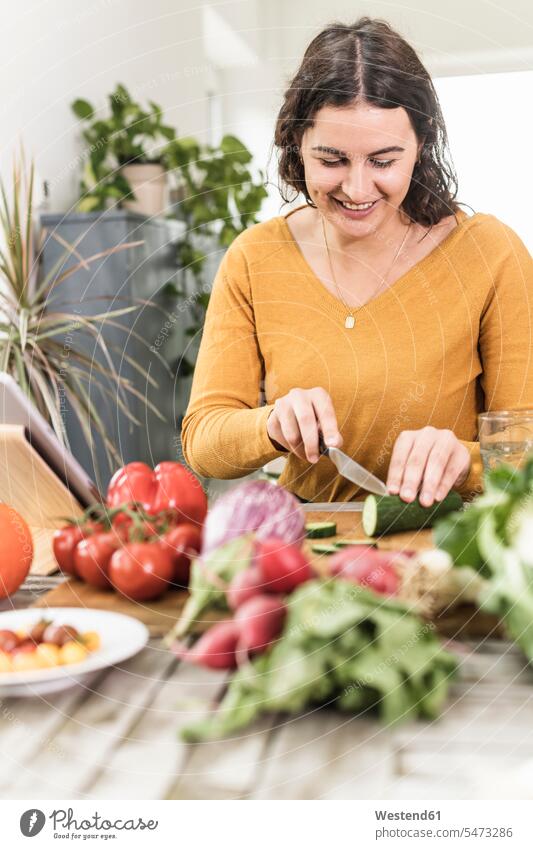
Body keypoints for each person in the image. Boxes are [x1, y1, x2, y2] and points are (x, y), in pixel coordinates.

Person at [181, 17, 533, 505]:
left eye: (384, 161)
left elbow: (526, 448)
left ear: (421, 145)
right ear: (296, 144)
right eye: (331, 160)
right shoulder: (254, 258)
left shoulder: (490, 254)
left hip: (451, 551)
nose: (358, 189)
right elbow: (203, 441)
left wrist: (466, 462)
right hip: (305, 555)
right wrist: (270, 424)